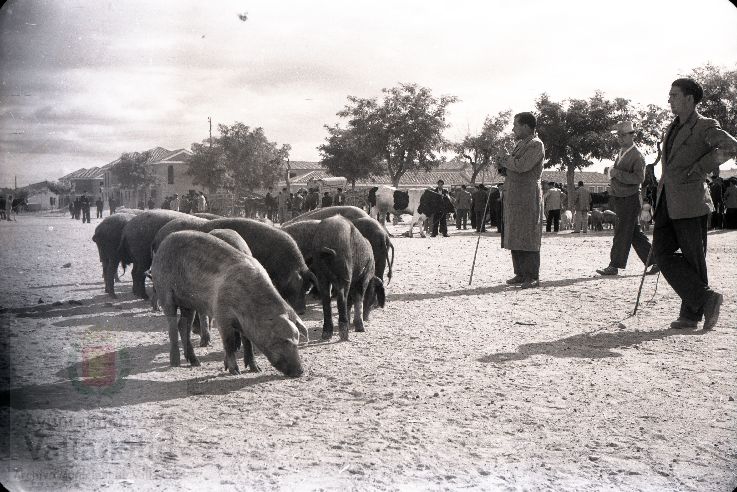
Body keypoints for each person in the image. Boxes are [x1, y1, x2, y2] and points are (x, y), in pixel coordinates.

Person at [652, 78, 737, 330]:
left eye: (674, 95)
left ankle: (690, 315)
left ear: (690, 99)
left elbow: (730, 146)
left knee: (693, 259)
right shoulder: (673, 126)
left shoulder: (705, 126)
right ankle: (706, 299)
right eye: (669, 95)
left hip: (692, 201)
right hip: (666, 199)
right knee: (661, 254)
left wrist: (700, 168)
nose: (669, 99)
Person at [596, 121, 658, 276]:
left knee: (621, 233)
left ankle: (614, 265)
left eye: (623, 135)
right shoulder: (622, 151)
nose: (620, 138)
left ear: (632, 135)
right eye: (618, 135)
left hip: (630, 199)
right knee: (633, 234)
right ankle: (656, 261)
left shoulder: (637, 156)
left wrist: (616, 173)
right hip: (621, 198)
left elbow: (639, 178)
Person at [496, 112, 545, 289]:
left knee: (528, 234)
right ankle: (520, 273)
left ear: (525, 126)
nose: (513, 128)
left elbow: (522, 166)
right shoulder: (520, 144)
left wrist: (506, 159)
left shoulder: (536, 145)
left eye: (516, 125)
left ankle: (532, 275)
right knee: (515, 233)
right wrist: (501, 163)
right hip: (514, 194)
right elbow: (511, 168)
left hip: (527, 195)